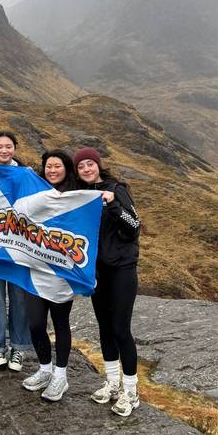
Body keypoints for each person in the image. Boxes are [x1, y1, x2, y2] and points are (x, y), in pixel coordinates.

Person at [74, 147, 141, 417]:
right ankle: (112, 383)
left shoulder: (117, 189)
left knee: (121, 329)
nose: (87, 169)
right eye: (81, 167)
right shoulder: (82, 196)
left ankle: (131, 391)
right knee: (104, 328)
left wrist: (113, 203)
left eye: (90, 164)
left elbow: (134, 225)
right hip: (96, 271)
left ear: (98, 165)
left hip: (122, 269)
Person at [21, 150, 79, 402]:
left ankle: (61, 376)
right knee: (35, 324)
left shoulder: (77, 197)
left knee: (60, 324)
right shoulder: (37, 194)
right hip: (35, 272)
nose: (52, 170)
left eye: (57, 166)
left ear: (66, 169)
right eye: (48, 166)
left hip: (61, 274)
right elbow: (15, 212)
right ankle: (45, 369)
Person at [0, 131, 33, 372]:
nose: (4, 151)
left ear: (15, 148)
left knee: (19, 299)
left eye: (8, 146)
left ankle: (19, 349)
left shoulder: (27, 175)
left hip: (20, 249)